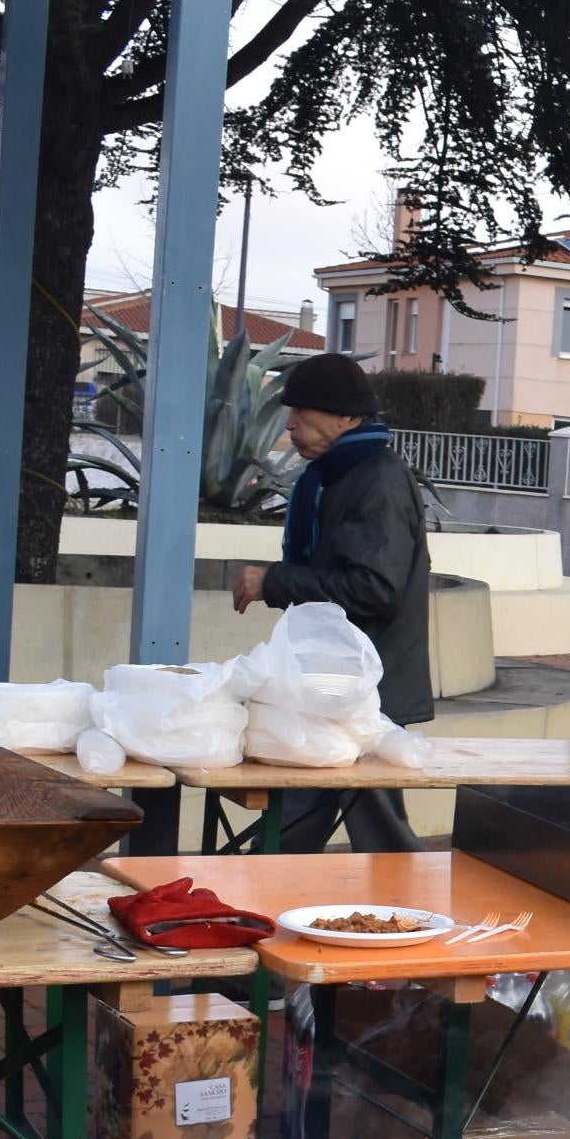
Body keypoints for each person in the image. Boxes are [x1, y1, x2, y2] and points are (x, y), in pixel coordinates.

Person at [231, 351, 433, 852]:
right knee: (303, 817)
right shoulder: (338, 475)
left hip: (367, 691)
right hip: (334, 685)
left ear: (346, 417)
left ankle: (414, 911)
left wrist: (274, 582)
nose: (292, 424)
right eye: (291, 412)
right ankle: (264, 895)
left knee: (377, 828)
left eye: (304, 412)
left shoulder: (377, 480)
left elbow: (374, 589)